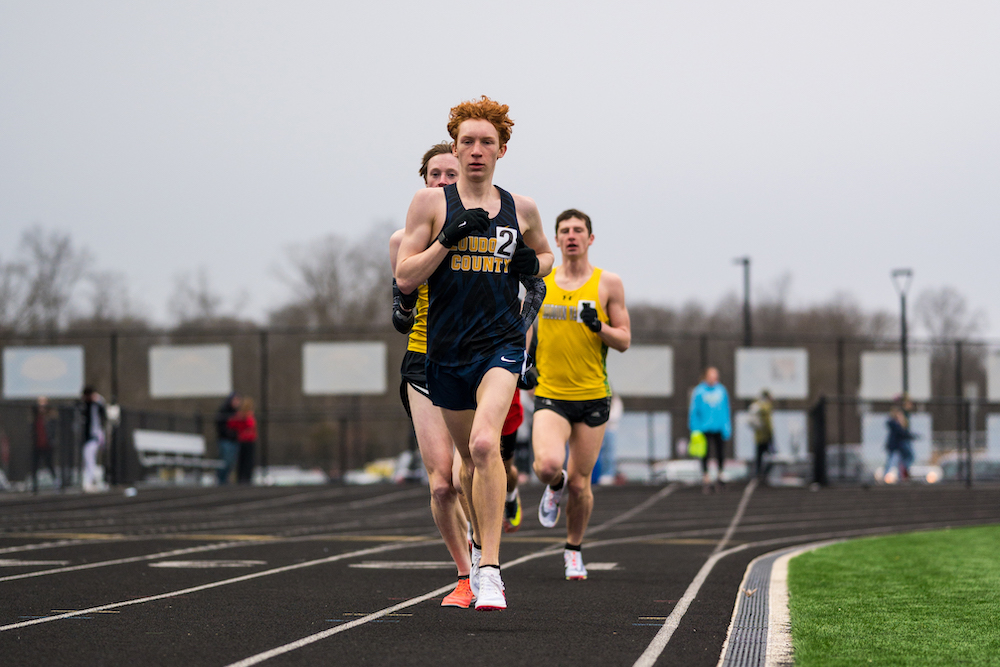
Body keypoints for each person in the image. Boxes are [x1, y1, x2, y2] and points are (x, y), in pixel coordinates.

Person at [396, 96, 554, 611]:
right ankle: (475, 553)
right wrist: (446, 241)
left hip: (500, 344)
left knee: (487, 446)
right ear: (456, 146)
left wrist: (535, 262)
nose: (477, 150)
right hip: (445, 350)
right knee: (464, 462)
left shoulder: (521, 207)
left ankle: (490, 571)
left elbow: (545, 256)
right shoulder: (430, 205)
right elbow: (404, 276)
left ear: (502, 149)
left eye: (487, 142)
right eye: (468, 141)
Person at [531, 208, 631, 580]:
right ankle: (551, 486)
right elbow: (526, 327)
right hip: (551, 394)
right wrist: (522, 362)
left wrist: (600, 326)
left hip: (593, 396)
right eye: (564, 231)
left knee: (580, 483)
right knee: (546, 466)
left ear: (590, 239)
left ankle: (573, 549)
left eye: (578, 230)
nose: (571, 236)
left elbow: (624, 340)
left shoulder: (608, 284)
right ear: (556, 240)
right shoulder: (543, 282)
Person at [688, 367, 732, 492]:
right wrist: (694, 428)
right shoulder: (699, 391)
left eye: (715, 376)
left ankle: (720, 475)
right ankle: (706, 477)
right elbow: (694, 410)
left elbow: (726, 409)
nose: (713, 378)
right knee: (705, 454)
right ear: (706, 376)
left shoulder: (722, 390)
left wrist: (727, 427)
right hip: (703, 428)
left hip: (718, 427)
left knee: (720, 453)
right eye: (711, 375)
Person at [80, 386, 107, 493]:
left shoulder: (96, 405)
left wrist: (98, 399)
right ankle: (89, 481)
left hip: (94, 437)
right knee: (88, 459)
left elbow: (103, 413)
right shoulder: (86, 405)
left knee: (90, 459)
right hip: (89, 437)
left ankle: (89, 482)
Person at [593, 391, 624, 485]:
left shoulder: (615, 400)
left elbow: (615, 416)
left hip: (610, 429)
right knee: (597, 453)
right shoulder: (597, 398)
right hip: (598, 428)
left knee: (609, 453)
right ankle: (596, 475)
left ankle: (608, 474)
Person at [31, 396, 58, 492]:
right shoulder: (35, 418)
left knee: (49, 465)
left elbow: (52, 431)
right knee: (35, 466)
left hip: (47, 445)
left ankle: (56, 483)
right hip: (37, 445)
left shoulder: (50, 418)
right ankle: (34, 486)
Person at [229, 396, 257, 485]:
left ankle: (244, 478)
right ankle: (243, 478)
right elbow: (233, 424)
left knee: (245, 460)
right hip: (245, 440)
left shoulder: (242, 415)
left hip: (245, 440)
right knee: (245, 460)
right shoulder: (244, 416)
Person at [884, 405, 915, 483]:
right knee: (891, 462)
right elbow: (901, 433)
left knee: (898, 463)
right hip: (895, 447)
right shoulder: (894, 424)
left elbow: (903, 433)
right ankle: (886, 477)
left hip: (899, 448)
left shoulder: (898, 424)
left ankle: (900, 477)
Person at [748, 390, 774, 483]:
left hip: (758, 436)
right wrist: (771, 436)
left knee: (759, 457)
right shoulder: (766, 408)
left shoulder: (757, 406)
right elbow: (768, 424)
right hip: (766, 436)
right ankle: (763, 475)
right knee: (772, 457)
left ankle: (758, 475)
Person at [215, 393, 240, 485]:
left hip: (234, 440)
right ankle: (221, 480)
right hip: (225, 440)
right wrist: (228, 433)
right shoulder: (224, 410)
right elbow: (220, 426)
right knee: (225, 461)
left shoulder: (236, 412)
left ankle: (225, 479)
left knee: (231, 462)